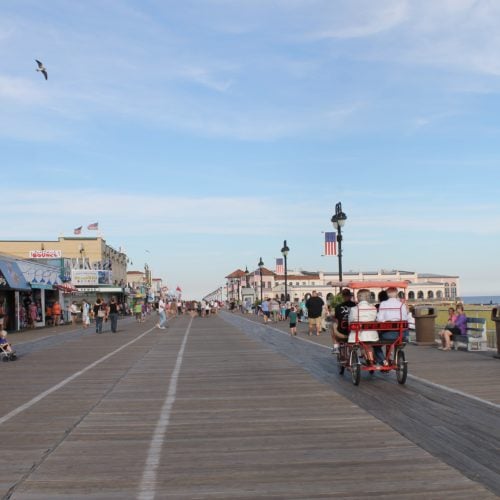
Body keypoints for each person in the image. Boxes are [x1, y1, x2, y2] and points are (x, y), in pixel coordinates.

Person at [375, 287, 409, 365]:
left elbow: (379, 319)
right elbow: (405, 317)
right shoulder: (401, 304)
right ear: (396, 293)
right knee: (397, 341)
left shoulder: (383, 304)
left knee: (375, 345)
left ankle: (383, 360)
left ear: (387, 294)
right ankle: (396, 358)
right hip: (403, 334)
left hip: (389, 334)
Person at [348, 288, 378, 365]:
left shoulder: (354, 308)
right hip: (371, 334)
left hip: (358, 334)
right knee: (368, 345)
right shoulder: (373, 308)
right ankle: (371, 359)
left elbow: (350, 321)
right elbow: (375, 318)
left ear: (358, 297)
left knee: (355, 340)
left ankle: (354, 358)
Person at [331, 289, 356, 354]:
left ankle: (335, 346)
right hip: (354, 332)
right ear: (350, 296)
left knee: (333, 325)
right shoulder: (356, 306)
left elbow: (336, 319)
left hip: (342, 332)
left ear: (343, 297)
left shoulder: (338, 307)